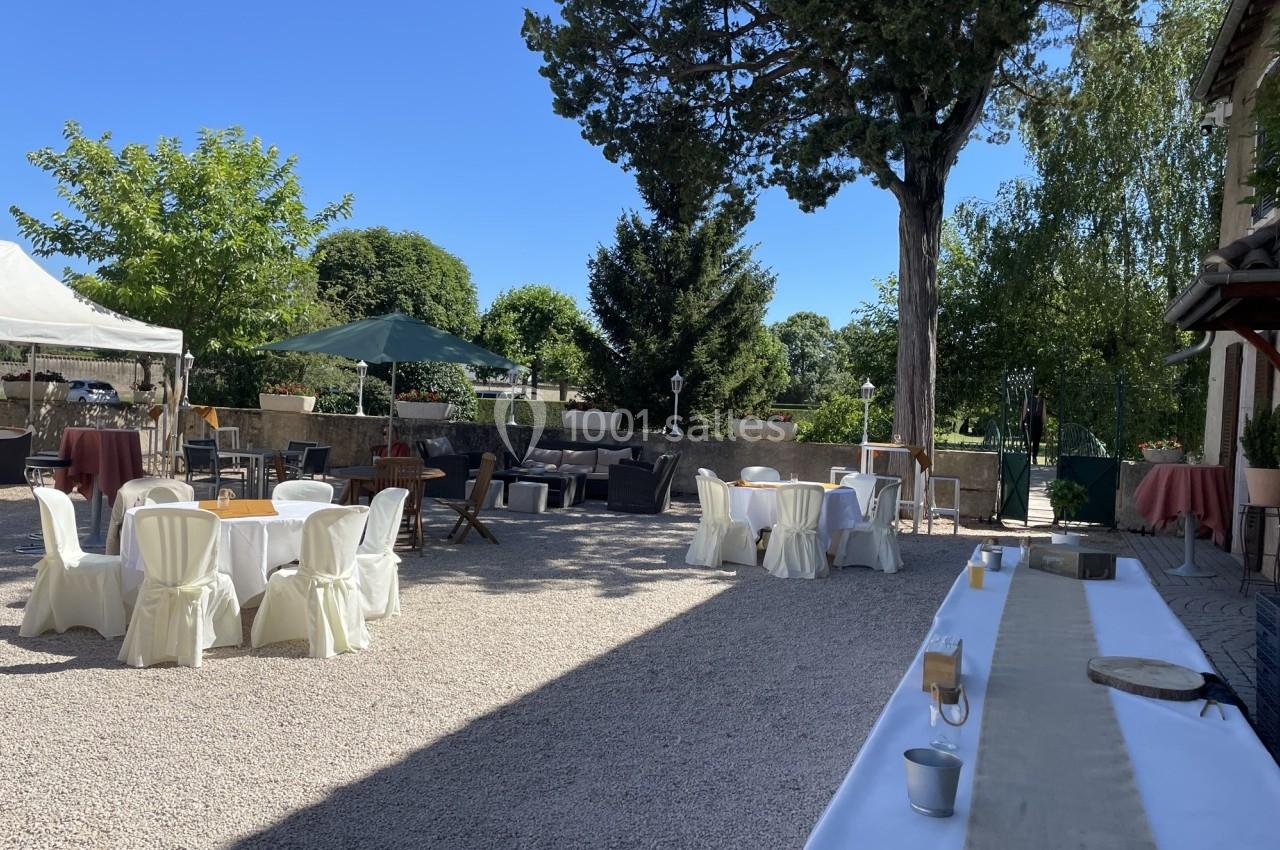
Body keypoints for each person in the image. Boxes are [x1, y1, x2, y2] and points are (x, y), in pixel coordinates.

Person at [1022, 391, 1047, 464]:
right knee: (1036, 441)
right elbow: (1043, 414)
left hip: (1029, 420)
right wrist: (1045, 426)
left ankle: (1027, 455)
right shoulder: (1042, 401)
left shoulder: (1027, 399)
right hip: (1038, 422)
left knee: (1027, 439)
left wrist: (1022, 421)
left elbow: (1024, 411)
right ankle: (1034, 457)